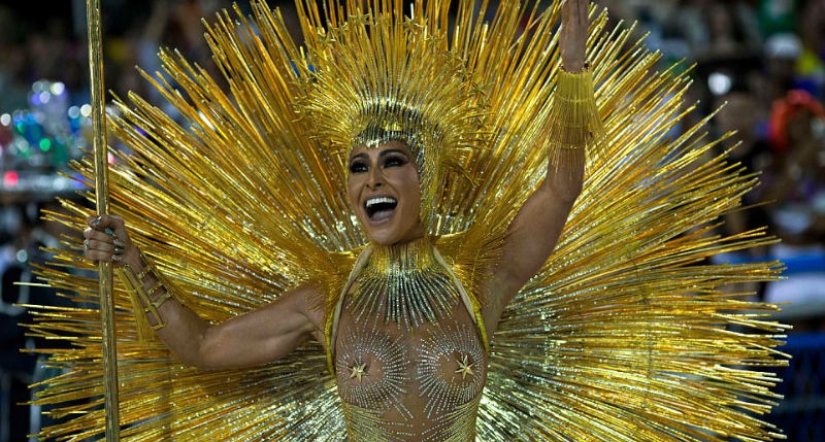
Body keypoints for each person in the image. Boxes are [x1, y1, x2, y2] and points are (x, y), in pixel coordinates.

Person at [29, 0, 787, 440]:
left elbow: (560, 186)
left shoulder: (479, 276)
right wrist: (132, 264)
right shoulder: (322, 299)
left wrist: (573, 68)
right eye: (358, 167)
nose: (373, 179)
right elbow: (197, 347)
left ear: (425, 178)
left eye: (393, 160)